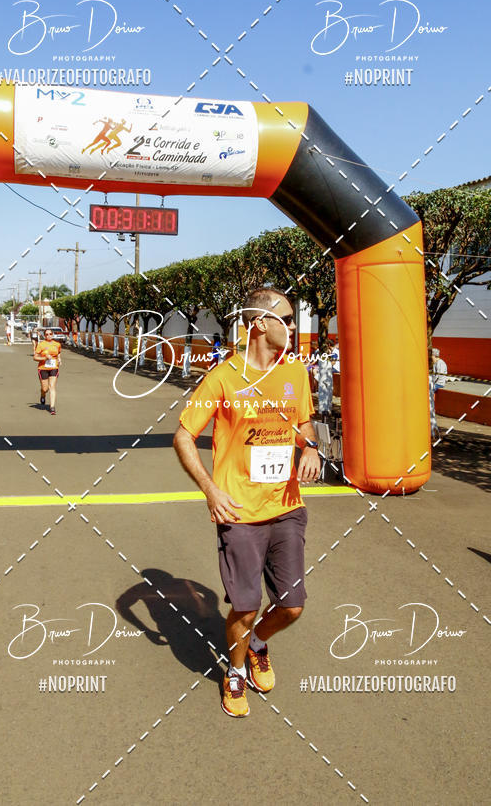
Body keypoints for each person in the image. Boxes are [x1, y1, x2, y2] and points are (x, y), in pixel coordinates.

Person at [173, 287, 320, 718]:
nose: (294, 327)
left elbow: (304, 423)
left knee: (292, 605)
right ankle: (234, 671)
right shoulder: (224, 377)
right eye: (287, 319)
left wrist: (309, 448)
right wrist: (210, 489)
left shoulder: (294, 373)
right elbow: (183, 436)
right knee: (245, 604)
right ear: (260, 324)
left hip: (287, 505)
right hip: (239, 512)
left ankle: (257, 643)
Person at [33, 328, 61, 415]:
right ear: (44, 335)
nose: (49, 336)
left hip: (54, 367)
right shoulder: (41, 344)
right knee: (45, 388)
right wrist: (44, 358)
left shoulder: (57, 344)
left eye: (50, 334)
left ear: (52, 335)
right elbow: (35, 357)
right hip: (43, 368)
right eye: (47, 334)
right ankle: (42, 394)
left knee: (52, 386)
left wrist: (59, 359)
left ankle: (52, 407)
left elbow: (58, 353)